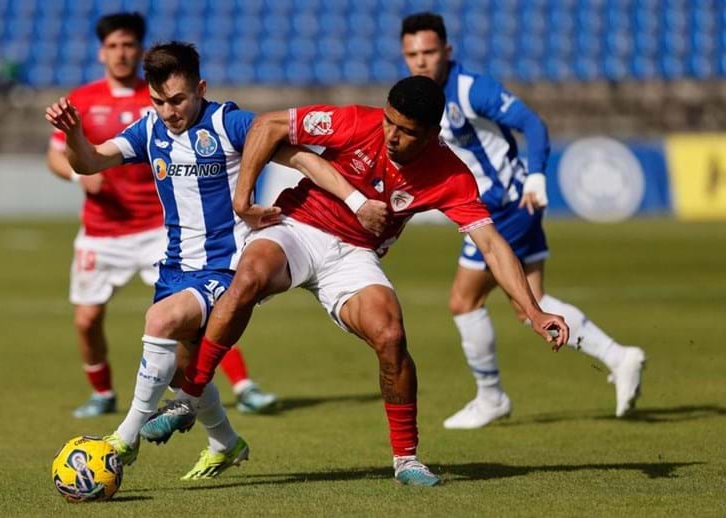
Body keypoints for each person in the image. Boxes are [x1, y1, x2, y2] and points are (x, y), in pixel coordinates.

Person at [139, 76, 570, 486]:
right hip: (297, 227)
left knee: (391, 334)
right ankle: (190, 397)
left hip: (354, 255)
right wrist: (243, 198)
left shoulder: (451, 175)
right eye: (389, 122)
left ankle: (406, 459)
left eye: (406, 131)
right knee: (249, 275)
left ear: (433, 133)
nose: (391, 136)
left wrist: (533, 310)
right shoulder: (356, 122)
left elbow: (492, 244)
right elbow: (269, 125)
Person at [45, 42, 357, 479]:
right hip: (175, 267)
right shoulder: (149, 130)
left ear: (200, 88)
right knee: (186, 369)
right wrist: (75, 134)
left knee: (159, 321)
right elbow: (92, 161)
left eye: (177, 100)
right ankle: (227, 442)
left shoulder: (228, 123)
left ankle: (124, 438)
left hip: (226, 267)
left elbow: (299, 155)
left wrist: (354, 199)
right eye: (158, 101)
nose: (169, 111)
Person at [400, 12, 645, 428]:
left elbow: (532, 123)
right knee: (531, 304)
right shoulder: (424, 98)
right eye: (412, 54)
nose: (421, 61)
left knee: (464, 302)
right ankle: (620, 357)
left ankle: (491, 396)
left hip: (503, 207)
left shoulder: (471, 88)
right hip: (506, 207)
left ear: (447, 51)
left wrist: (535, 175)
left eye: (429, 52)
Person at [47, 14, 278, 420]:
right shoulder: (93, 103)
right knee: (92, 321)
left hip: (162, 231)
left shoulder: (190, 105)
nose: (168, 111)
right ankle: (111, 397)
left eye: (129, 45)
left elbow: (275, 135)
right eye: (115, 45)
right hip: (104, 232)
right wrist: (74, 152)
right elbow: (77, 160)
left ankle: (237, 388)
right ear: (103, 51)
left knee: (197, 317)